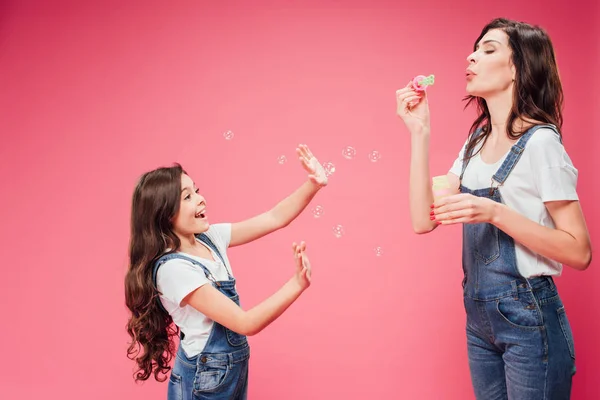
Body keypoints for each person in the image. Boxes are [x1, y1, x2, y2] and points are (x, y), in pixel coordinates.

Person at [396, 18, 592, 399]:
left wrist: (494, 212)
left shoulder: (541, 143)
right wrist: (420, 132)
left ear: (518, 67)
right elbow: (423, 219)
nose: (471, 56)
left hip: (528, 316)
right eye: (474, 48)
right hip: (479, 319)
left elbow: (579, 251)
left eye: (488, 49)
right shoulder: (476, 141)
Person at [124, 144, 327, 399]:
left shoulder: (209, 238)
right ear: (164, 215)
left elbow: (275, 217)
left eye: (196, 191)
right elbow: (245, 323)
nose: (200, 198)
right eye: (187, 197)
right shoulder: (174, 270)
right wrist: (296, 284)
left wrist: (314, 184)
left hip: (227, 371)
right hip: (205, 377)